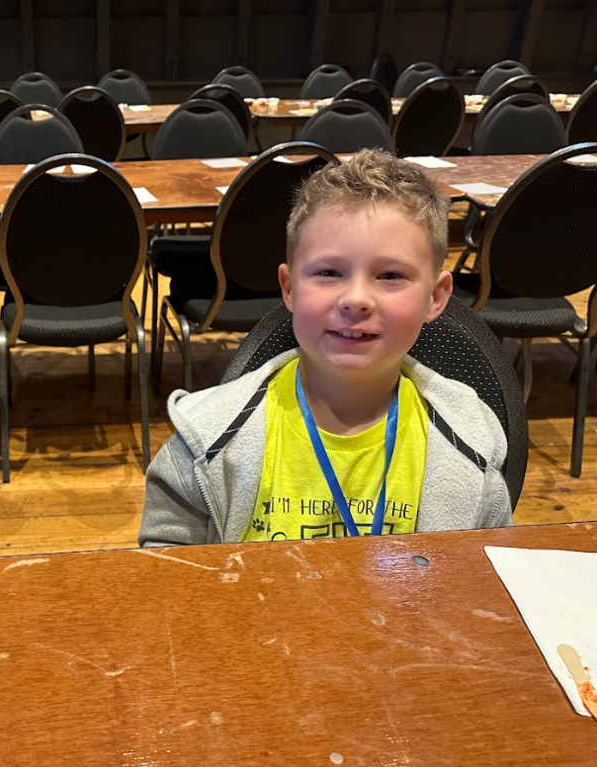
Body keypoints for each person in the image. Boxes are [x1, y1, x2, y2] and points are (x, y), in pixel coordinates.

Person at [139, 149, 511, 547]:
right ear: (289, 288)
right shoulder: (202, 445)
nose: (355, 299)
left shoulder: (474, 444)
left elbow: (487, 580)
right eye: (329, 272)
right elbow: (168, 585)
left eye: (390, 275)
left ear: (436, 298)